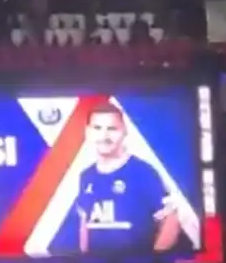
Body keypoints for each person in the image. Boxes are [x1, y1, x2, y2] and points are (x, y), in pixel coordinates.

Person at [75, 102, 180, 254]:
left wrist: (153, 262)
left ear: (124, 131)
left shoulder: (143, 172)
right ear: (88, 132)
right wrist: (84, 262)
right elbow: (85, 225)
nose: (104, 136)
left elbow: (171, 222)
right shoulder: (86, 176)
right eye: (97, 128)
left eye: (112, 129)